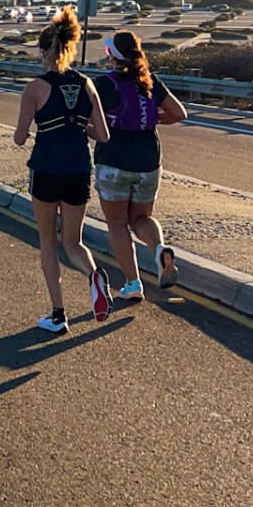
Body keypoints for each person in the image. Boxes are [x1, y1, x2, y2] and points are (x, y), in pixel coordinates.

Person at [12, 6, 111, 333]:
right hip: (79, 169)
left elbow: (19, 137)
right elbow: (103, 135)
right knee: (73, 241)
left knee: (47, 241)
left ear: (43, 50)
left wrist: (40, 128)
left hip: (46, 168)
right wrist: (77, 126)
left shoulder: (35, 88)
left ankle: (58, 315)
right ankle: (94, 276)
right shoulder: (86, 84)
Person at [93, 30, 188, 305]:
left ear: (111, 55)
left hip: (113, 160)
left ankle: (133, 283)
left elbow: (87, 119)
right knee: (141, 219)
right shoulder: (150, 81)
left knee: (117, 223)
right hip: (148, 161)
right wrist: (149, 120)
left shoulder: (103, 84)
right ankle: (159, 249)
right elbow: (180, 113)